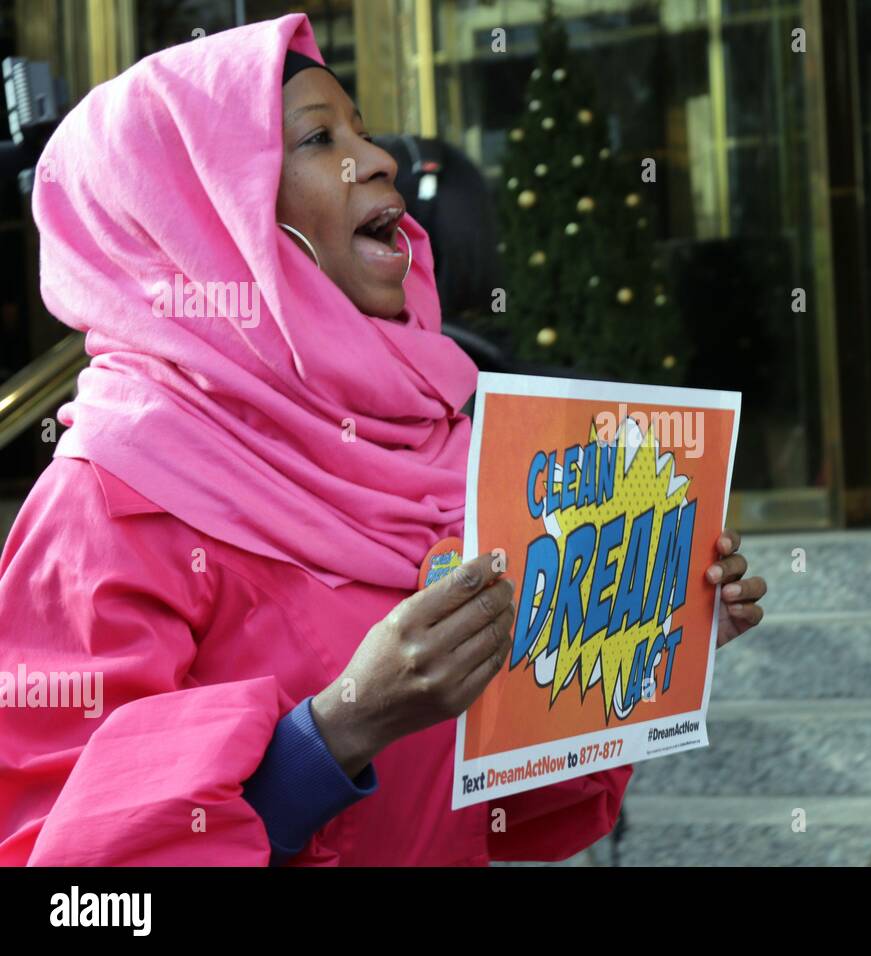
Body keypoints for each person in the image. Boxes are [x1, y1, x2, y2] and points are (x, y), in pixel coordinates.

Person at [0, 14, 766, 866]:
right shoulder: (104, 506)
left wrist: (637, 630)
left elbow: (507, 810)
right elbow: (78, 880)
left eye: (362, 130)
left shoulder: (432, 451)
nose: (380, 159)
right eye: (319, 138)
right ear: (204, 218)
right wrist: (344, 726)